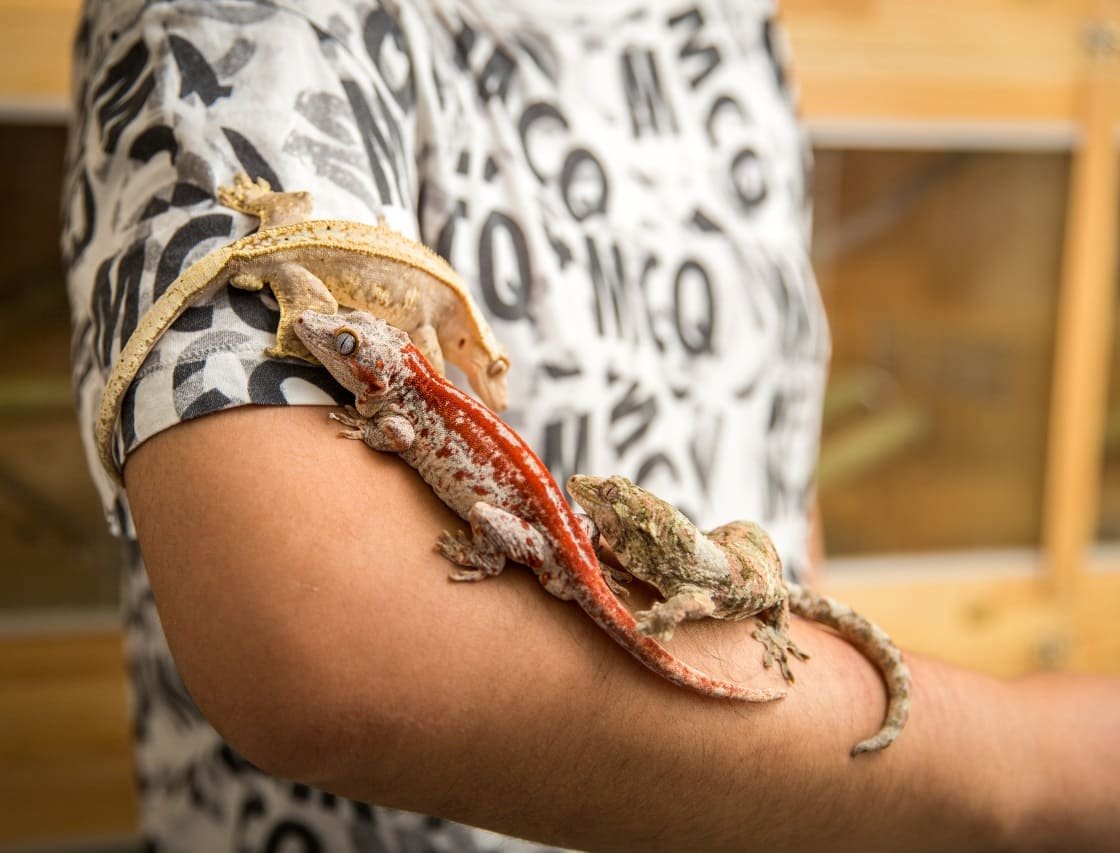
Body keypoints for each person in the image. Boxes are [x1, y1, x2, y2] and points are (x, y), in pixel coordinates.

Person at [61, 0, 1120, 850]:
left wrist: (815, 754)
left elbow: (765, 448)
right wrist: (1022, 762)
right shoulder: (234, 27)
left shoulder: (727, 25)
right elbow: (326, 651)